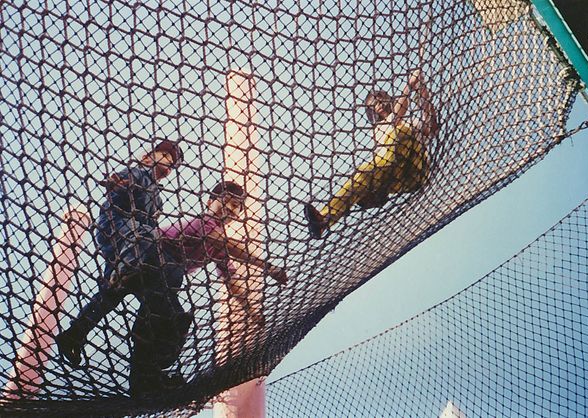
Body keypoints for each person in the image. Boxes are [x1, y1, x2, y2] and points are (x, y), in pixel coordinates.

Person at [129, 181, 287, 396]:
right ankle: (146, 377)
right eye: (227, 202)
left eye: (236, 207)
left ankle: (147, 377)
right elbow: (231, 246)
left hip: (163, 281)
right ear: (210, 201)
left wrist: (251, 310)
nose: (231, 209)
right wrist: (268, 267)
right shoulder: (203, 224)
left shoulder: (216, 246)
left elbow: (232, 280)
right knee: (168, 317)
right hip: (144, 259)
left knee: (168, 320)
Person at [55, 140, 184, 367]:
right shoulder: (139, 173)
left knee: (111, 295)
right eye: (165, 156)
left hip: (134, 252)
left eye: (172, 164)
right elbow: (122, 180)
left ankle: (74, 334)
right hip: (117, 227)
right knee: (145, 236)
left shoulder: (159, 197)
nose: (169, 164)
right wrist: (116, 182)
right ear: (148, 157)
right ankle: (123, 272)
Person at [304, 69, 439, 239]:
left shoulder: (410, 122)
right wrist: (410, 86)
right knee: (361, 176)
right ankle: (324, 220)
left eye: (380, 99)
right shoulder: (379, 129)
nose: (379, 105)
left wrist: (422, 90)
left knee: (403, 131)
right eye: (373, 104)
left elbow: (431, 127)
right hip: (392, 172)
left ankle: (375, 192)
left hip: (416, 169)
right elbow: (396, 117)